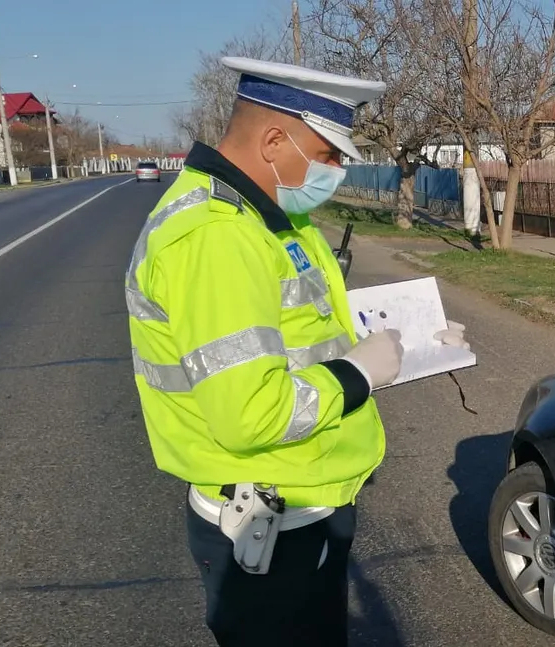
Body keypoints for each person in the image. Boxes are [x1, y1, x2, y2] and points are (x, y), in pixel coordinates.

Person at [123, 57, 470, 646]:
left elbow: (307, 329)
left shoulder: (277, 217)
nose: (335, 170)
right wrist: (359, 372)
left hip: (304, 505)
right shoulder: (216, 238)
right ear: (275, 140)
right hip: (268, 528)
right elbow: (250, 414)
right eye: (330, 154)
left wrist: (411, 339)